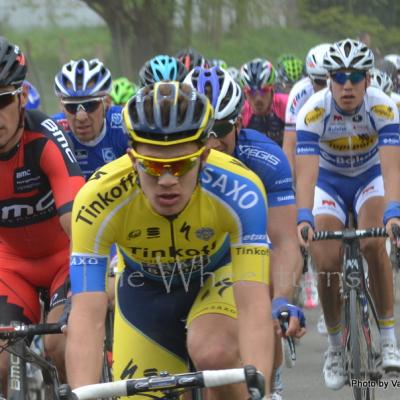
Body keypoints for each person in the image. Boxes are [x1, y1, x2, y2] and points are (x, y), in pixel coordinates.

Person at [65, 82, 275, 399]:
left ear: (204, 156)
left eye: (180, 165)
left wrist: (261, 385)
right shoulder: (97, 199)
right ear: (132, 157)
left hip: (216, 274)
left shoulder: (241, 190)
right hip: (143, 289)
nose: (166, 181)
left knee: (214, 353)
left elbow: (254, 306)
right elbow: (87, 314)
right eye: (151, 166)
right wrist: (80, 393)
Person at [184, 66, 305, 400]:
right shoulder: (168, 163)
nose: (212, 141)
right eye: (202, 129)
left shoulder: (265, 158)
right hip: (182, 259)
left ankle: (270, 379)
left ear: (239, 123)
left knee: (262, 283)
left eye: (221, 128)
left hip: (238, 253)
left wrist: (281, 298)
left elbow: (283, 241)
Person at [296, 38, 400, 390]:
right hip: (329, 183)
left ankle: (387, 336)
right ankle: (336, 347)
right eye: (340, 77)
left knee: (373, 243)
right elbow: (306, 174)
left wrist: (393, 212)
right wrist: (303, 217)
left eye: (356, 77)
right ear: (329, 80)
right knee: (325, 259)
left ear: (368, 80)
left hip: (370, 179)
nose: (348, 86)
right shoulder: (313, 110)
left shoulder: (383, 108)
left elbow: (392, 170)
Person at [0, 37, 85, 392]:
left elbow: (79, 219)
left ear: (21, 98)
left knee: (59, 345)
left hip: (62, 257)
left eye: (1, 99)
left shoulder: (44, 137)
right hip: (11, 265)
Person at [53, 58, 128, 180]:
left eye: (90, 105)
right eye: (71, 106)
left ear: (107, 102)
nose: (81, 117)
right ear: (61, 106)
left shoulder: (125, 123)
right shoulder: (54, 131)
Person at [283, 43, 330, 179]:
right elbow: (289, 145)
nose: (326, 88)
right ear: (309, 78)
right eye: (320, 82)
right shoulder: (300, 92)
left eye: (332, 80)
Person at [240, 58, 288, 147]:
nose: (258, 98)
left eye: (264, 90)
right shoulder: (241, 114)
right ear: (244, 93)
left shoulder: (286, 104)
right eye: (251, 92)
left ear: (273, 89)